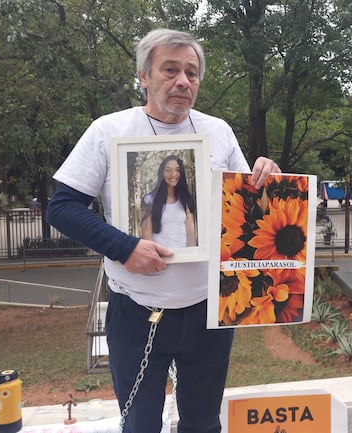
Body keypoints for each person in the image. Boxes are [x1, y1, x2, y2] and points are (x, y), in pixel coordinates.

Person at [47, 28, 280, 433]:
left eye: (191, 73)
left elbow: (245, 211)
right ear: (143, 76)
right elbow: (62, 208)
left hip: (208, 311)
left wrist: (268, 179)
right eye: (170, 70)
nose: (183, 81)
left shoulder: (219, 131)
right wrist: (124, 247)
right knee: (140, 425)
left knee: (204, 423)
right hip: (137, 311)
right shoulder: (108, 131)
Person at [141, 154, 197, 248]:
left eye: (177, 170)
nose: (173, 174)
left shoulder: (186, 199)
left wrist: (191, 257)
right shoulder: (149, 200)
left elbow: (191, 234)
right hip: (160, 257)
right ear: (161, 173)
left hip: (183, 257)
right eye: (168, 170)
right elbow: (146, 233)